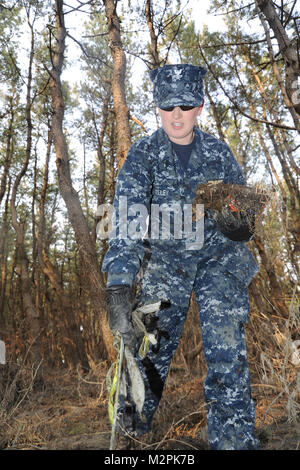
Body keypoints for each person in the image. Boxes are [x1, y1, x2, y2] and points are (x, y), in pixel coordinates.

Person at [102, 64, 260, 450]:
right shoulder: (143, 156)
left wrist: (239, 219)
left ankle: (235, 441)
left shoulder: (219, 154)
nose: (176, 115)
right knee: (146, 354)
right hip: (166, 264)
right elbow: (127, 221)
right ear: (157, 107)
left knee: (227, 355)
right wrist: (119, 285)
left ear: (200, 107)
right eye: (168, 105)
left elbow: (242, 221)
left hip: (218, 263)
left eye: (186, 105)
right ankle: (127, 438)